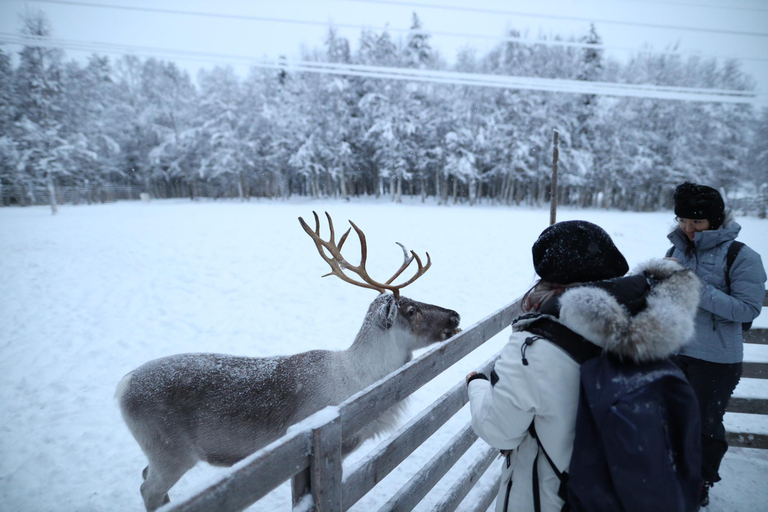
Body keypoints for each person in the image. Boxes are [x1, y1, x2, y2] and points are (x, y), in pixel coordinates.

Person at [466, 220, 703, 512]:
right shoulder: (649, 325)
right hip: (622, 496)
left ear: (548, 273)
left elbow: (499, 430)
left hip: (554, 500)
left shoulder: (535, 346)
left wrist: (477, 385)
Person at [666, 182, 767, 507]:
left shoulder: (742, 255)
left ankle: (699, 482)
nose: (688, 229)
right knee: (672, 417)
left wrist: (697, 288)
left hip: (716, 359)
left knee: (706, 424)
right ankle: (672, 472)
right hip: (674, 350)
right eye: (683, 221)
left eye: (696, 222)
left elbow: (748, 309)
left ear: (715, 220)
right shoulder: (675, 250)